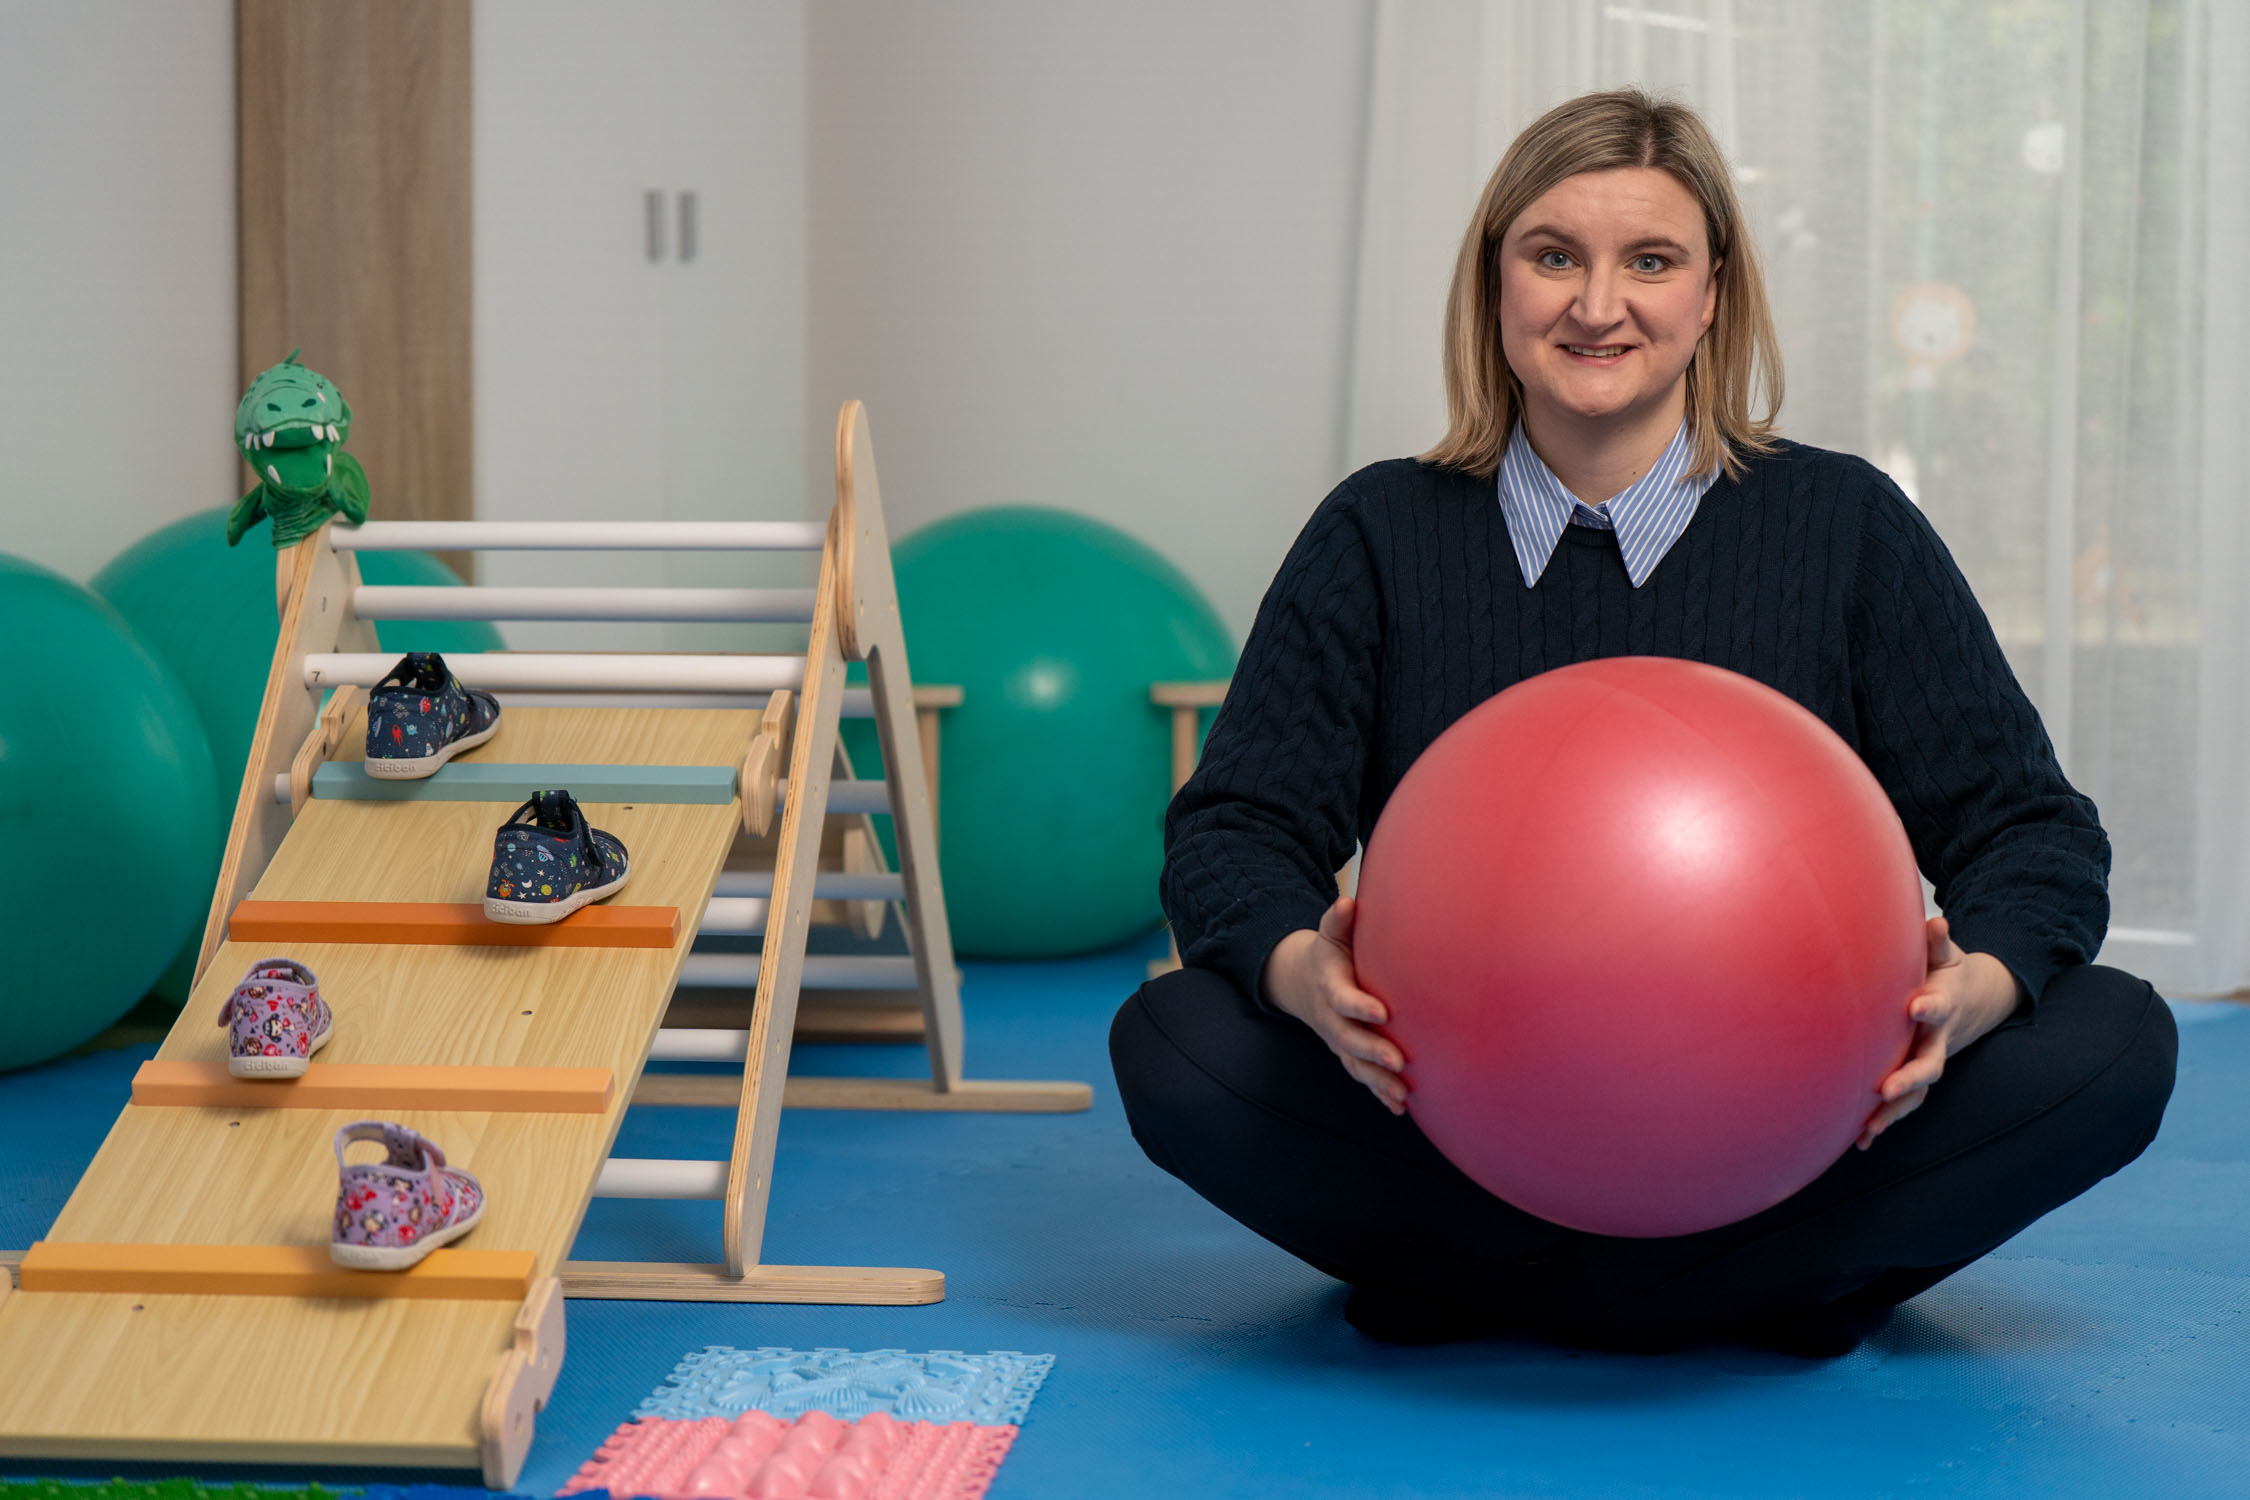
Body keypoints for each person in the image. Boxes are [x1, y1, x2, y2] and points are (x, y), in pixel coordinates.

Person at [1108, 88, 2178, 1356]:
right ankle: (1759, 1286)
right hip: (1459, 1130)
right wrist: (1304, 974)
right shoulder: (1380, 530)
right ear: (1495, 283)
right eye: (1554, 256)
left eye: (1652, 261)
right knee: (1173, 1041)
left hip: (1788, 1136)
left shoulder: (1845, 526)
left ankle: (1511, 1285)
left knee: (2118, 1039)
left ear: (1713, 293)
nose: (1597, 305)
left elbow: (2031, 831)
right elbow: (1236, 829)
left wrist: (1976, 991)